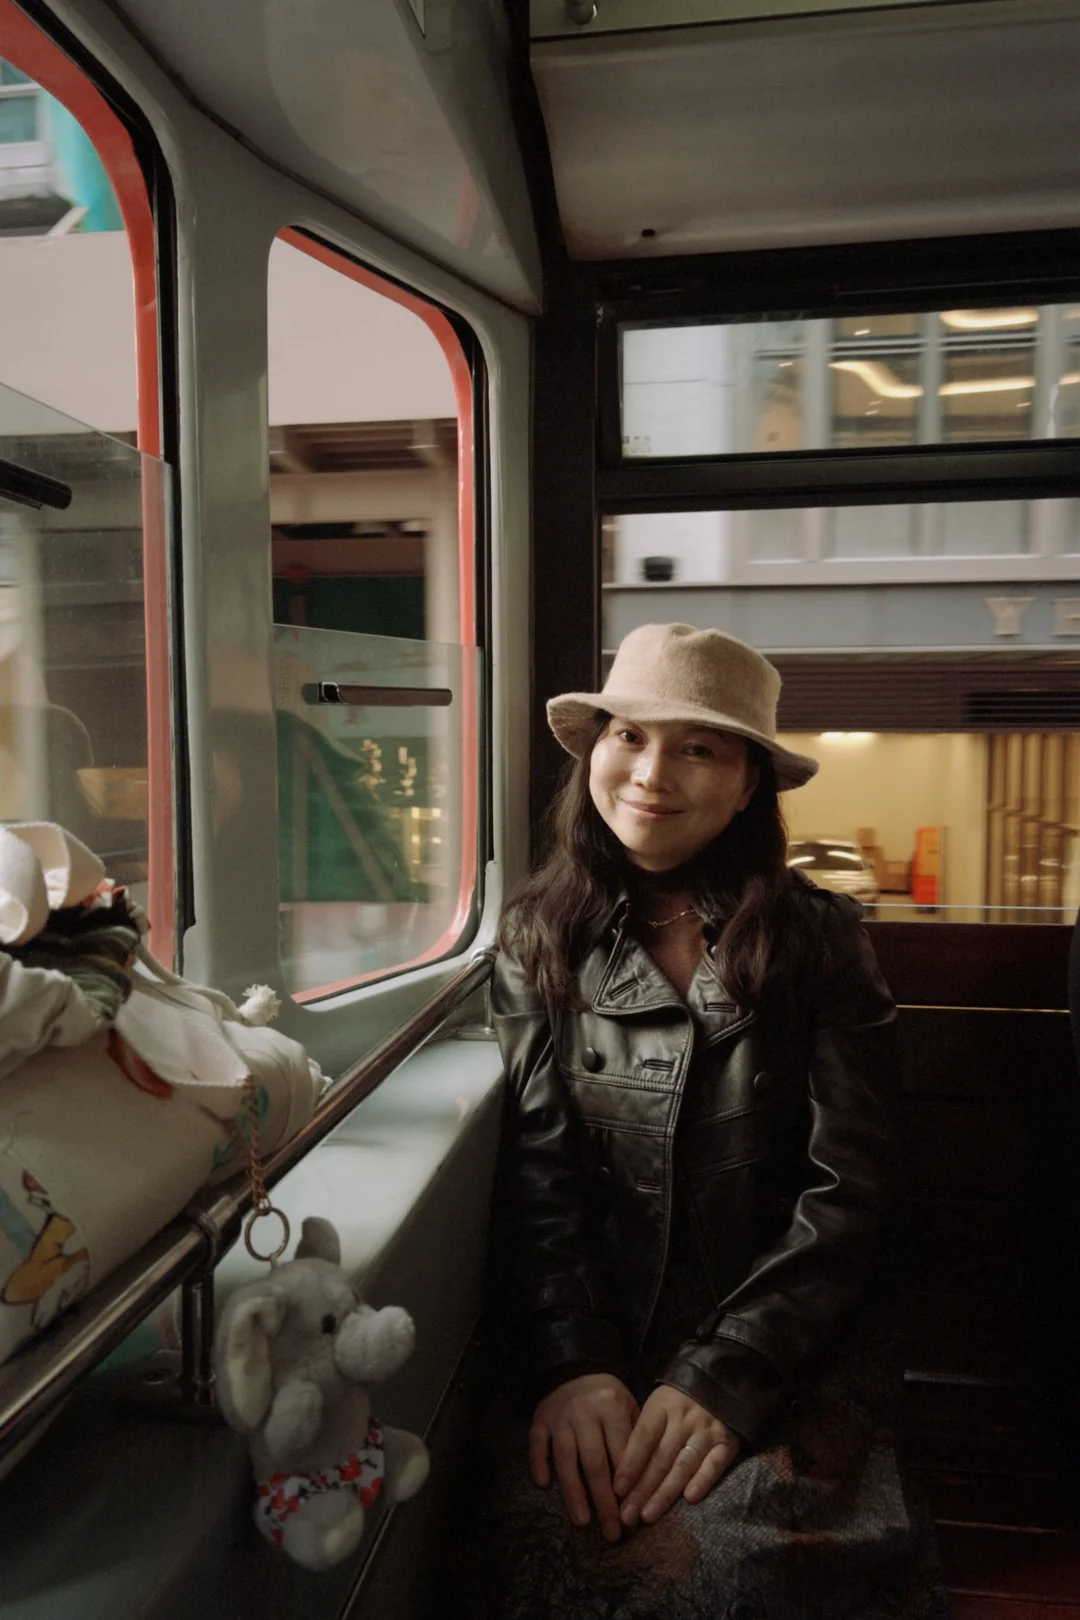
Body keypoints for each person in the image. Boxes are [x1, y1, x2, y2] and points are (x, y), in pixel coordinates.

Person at [474, 624, 946, 1620]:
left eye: (698, 747)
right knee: (550, 1556)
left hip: (792, 1346)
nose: (652, 774)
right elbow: (539, 1180)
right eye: (629, 737)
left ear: (746, 787)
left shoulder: (819, 939)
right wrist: (574, 1361)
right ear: (594, 753)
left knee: (738, 1574)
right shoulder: (536, 936)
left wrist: (730, 1371)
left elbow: (852, 1193)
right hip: (607, 1338)